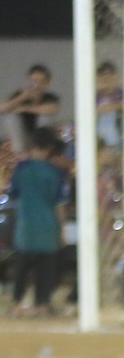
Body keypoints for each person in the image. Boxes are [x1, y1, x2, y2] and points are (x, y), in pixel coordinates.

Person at [7, 127, 68, 316]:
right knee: (46, 269)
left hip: (25, 226)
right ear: (49, 148)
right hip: (48, 226)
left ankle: (17, 303)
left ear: (32, 145)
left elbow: (13, 193)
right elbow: (59, 204)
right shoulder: (56, 172)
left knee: (22, 267)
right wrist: (62, 230)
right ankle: (42, 304)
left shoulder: (21, 169)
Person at [1, 65, 60, 147]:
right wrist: (22, 97)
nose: (37, 85)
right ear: (28, 81)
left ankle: (41, 148)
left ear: (47, 83)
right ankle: (20, 151)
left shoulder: (49, 97)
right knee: (10, 117)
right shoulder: (19, 94)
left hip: (41, 137)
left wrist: (25, 108)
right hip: (23, 136)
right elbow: (2, 109)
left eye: (41, 82)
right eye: (34, 81)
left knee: (46, 117)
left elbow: (52, 108)